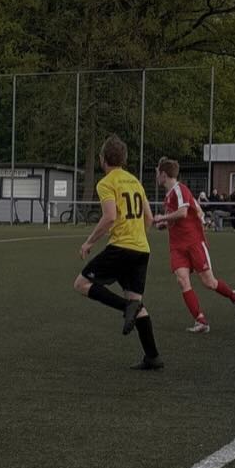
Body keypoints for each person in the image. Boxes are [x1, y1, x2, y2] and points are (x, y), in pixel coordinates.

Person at [74, 135, 162, 371]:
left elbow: (110, 217)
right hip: (141, 249)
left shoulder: (106, 183)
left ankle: (126, 308)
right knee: (137, 301)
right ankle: (152, 356)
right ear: (124, 159)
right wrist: (138, 236)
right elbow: (149, 217)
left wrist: (89, 242)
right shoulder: (135, 181)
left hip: (121, 248)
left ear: (102, 159)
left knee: (81, 284)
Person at [152, 158, 235, 333]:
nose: (156, 176)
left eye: (157, 172)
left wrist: (162, 218)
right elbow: (179, 217)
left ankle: (234, 296)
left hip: (193, 242)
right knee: (182, 280)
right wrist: (163, 224)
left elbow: (183, 212)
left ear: (164, 174)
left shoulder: (180, 189)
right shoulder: (169, 196)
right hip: (177, 246)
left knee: (209, 282)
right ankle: (200, 320)